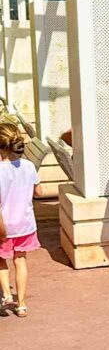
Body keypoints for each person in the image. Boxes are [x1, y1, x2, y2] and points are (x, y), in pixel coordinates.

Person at [0, 122, 43, 317]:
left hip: (3, 226)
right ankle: (22, 304)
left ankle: (7, 295)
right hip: (25, 225)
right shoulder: (29, 166)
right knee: (21, 261)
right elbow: (39, 192)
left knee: (1, 262)